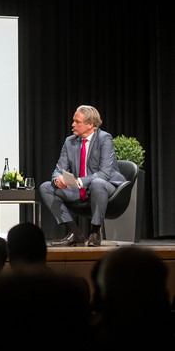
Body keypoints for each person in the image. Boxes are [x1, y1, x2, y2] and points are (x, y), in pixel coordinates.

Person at [39, 105, 126, 247]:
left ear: (90, 124)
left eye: (77, 122)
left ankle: (95, 233)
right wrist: (58, 179)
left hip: (105, 186)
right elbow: (58, 169)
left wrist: (80, 181)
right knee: (46, 187)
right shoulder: (70, 141)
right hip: (79, 188)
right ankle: (74, 233)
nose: (73, 124)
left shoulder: (104, 139)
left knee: (97, 182)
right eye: (73, 121)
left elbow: (104, 173)